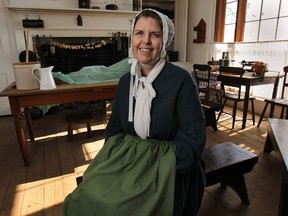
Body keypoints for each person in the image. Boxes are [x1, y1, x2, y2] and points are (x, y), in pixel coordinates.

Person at [62, 8, 206, 216]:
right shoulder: (125, 82)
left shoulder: (182, 81)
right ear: (132, 38)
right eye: (139, 33)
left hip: (167, 171)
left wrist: (151, 171)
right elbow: (114, 131)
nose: (145, 41)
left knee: (119, 208)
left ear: (164, 41)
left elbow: (191, 146)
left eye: (154, 35)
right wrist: (118, 164)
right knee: (87, 193)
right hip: (130, 162)